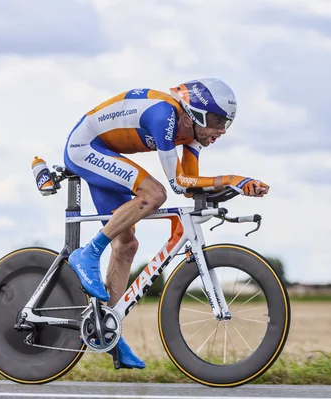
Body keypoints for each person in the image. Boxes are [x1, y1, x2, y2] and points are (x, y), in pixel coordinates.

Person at [63, 78, 269, 369]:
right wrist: (233, 179)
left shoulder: (194, 135)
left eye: (227, 123)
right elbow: (177, 182)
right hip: (85, 148)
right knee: (154, 194)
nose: (220, 131)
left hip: (106, 152)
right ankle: (88, 253)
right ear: (195, 112)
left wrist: (236, 189)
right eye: (217, 121)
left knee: (126, 245)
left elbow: (190, 187)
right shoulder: (165, 115)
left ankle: (107, 329)